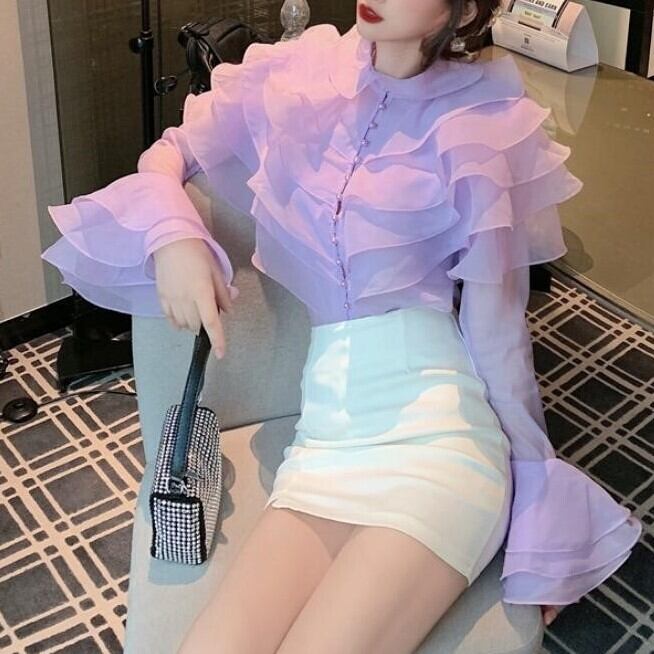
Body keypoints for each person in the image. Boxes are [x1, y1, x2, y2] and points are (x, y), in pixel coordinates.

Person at [42, 1, 643, 652]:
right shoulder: (296, 76)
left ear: (463, 9)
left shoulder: (479, 123)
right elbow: (169, 153)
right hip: (324, 450)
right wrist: (173, 238)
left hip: (441, 450)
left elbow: (500, 341)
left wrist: (539, 513)